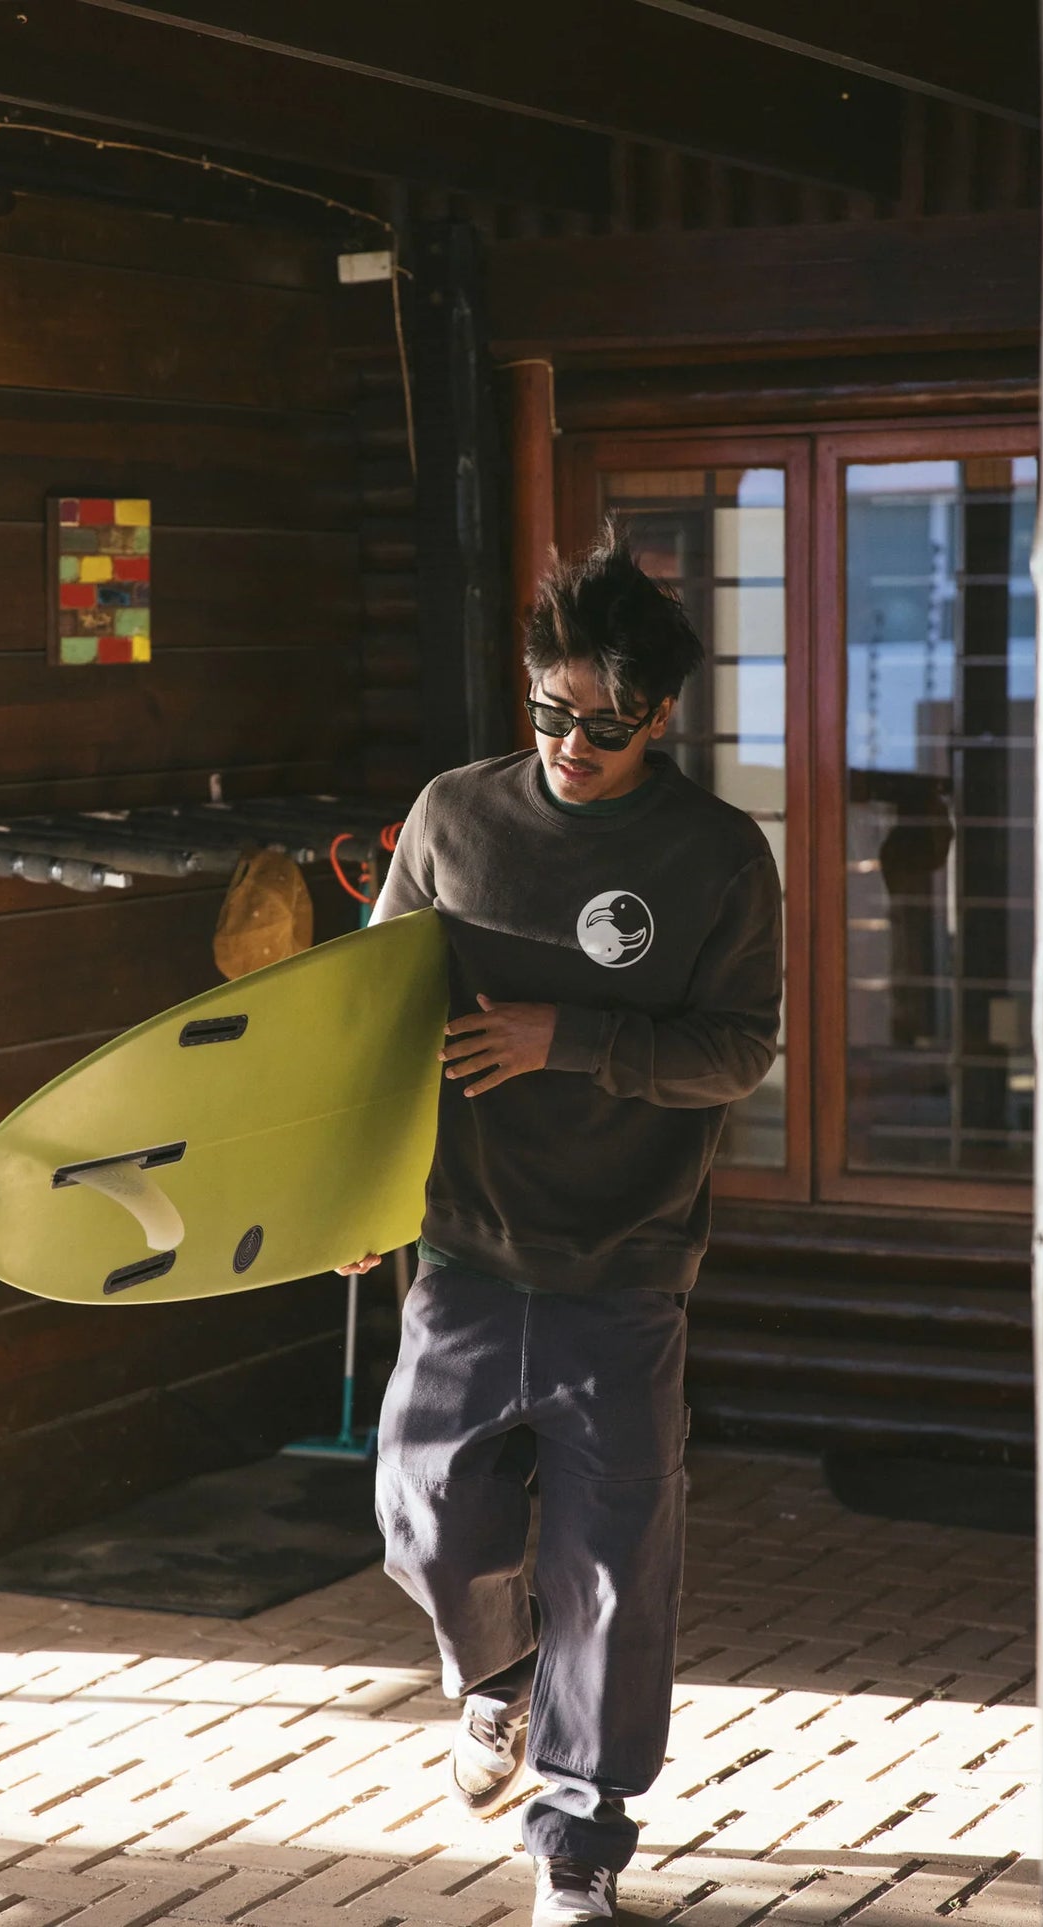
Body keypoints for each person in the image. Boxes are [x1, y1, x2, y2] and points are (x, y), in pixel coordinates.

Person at [339, 522, 783, 1926]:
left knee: (611, 1572)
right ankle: (503, 1682)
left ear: (661, 718)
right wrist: (345, 1191)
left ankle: (580, 1846)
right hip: (463, 1243)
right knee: (423, 1521)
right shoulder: (454, 817)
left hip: (627, 1264)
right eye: (549, 710)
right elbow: (366, 1021)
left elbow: (735, 1052)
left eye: (606, 722)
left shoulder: (714, 855)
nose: (571, 743)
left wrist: (567, 1036)